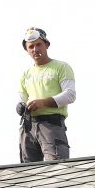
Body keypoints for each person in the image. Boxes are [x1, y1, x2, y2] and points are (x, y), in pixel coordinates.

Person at [18, 27, 75, 162]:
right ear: (26, 50)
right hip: (28, 126)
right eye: (31, 46)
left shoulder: (61, 67)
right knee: (27, 173)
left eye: (39, 44)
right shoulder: (26, 74)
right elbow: (22, 99)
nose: (35, 49)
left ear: (47, 45)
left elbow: (70, 94)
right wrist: (20, 106)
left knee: (56, 169)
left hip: (52, 124)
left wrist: (43, 102)